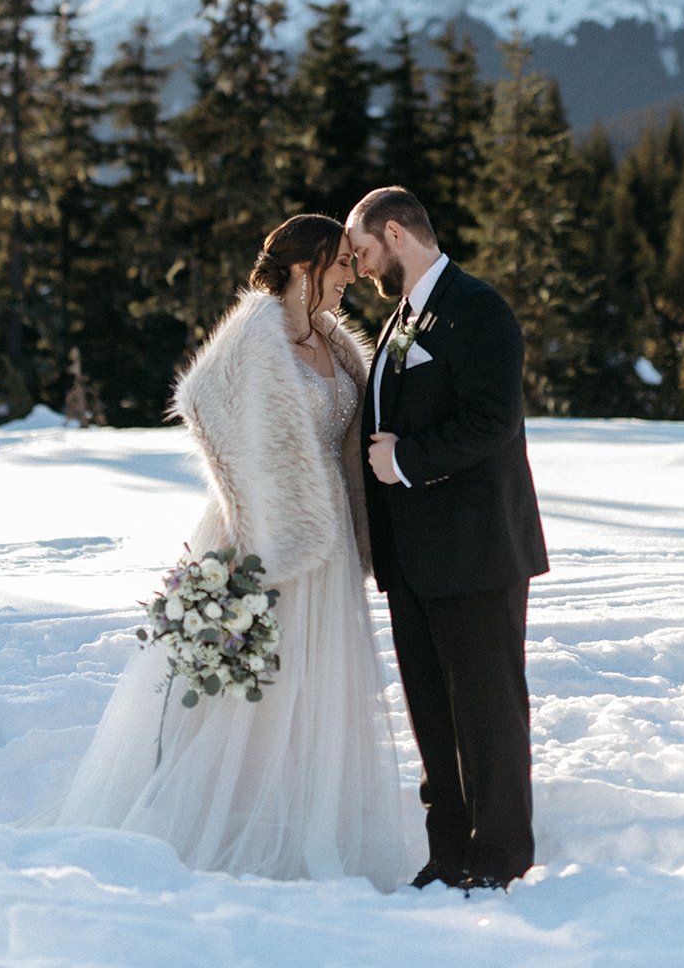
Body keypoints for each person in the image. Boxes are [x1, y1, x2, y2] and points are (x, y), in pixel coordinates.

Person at [54, 214, 406, 890]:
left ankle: (308, 815)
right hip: (266, 528)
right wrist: (253, 502)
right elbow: (204, 401)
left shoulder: (331, 340)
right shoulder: (255, 333)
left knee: (317, 683)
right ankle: (233, 819)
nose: (349, 280)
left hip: (329, 534)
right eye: (340, 267)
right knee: (256, 683)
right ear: (306, 266)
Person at [346, 186, 548, 892]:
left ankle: (498, 858)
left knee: (487, 714)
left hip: (475, 551)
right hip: (415, 561)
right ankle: (448, 854)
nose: (360, 267)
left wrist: (402, 460)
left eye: (363, 251)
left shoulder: (476, 308)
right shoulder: (405, 316)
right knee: (432, 713)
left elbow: (492, 422)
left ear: (395, 234)